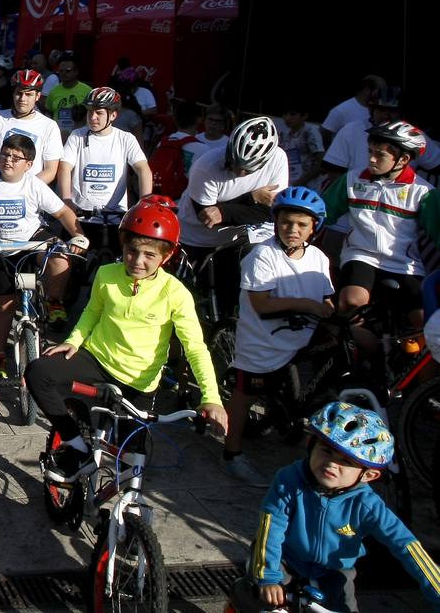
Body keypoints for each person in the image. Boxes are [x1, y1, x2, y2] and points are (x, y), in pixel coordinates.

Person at [27, 197, 228, 483]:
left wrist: (211, 398)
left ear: (165, 257)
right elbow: (91, 313)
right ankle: (77, 447)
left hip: (138, 382)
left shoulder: (175, 293)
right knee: (38, 371)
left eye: (149, 255)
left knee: (131, 460)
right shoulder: (107, 273)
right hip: (97, 360)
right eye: (132, 251)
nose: (137, 261)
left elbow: (195, 347)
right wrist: (73, 341)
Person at [226, 402, 440, 613]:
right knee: (260, 596)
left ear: (368, 475)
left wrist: (436, 588)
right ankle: (240, 600)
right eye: (327, 451)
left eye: (346, 461)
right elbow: (270, 527)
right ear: (311, 444)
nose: (332, 464)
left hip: (334, 571)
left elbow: (406, 544)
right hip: (284, 559)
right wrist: (268, 577)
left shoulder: (367, 505)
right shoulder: (289, 480)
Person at [223, 188, 335, 487]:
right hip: (261, 341)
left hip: (300, 338)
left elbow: (326, 299)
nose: (292, 230)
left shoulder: (319, 258)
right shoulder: (263, 255)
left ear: (314, 227)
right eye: (286, 223)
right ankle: (232, 453)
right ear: (276, 222)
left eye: (301, 225)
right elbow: (261, 304)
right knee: (245, 394)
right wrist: (309, 306)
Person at [0, 133, 88, 374]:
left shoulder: (34, 184)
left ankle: (53, 299)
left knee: (59, 257)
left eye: (16, 157)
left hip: (33, 238)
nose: (8, 160)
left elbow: (63, 213)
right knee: (4, 305)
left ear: (29, 165)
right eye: (4, 154)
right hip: (2, 248)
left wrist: (80, 236)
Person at [322, 121, 436, 323]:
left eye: (380, 154)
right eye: (370, 151)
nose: (372, 159)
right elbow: (322, 213)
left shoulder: (423, 192)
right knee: (351, 301)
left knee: (422, 320)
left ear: (404, 159)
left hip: (405, 265)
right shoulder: (352, 179)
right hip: (360, 255)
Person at [178, 116, 289, 314]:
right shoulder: (206, 165)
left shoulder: (278, 159)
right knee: (185, 299)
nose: (238, 170)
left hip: (236, 238)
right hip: (196, 237)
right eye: (234, 163)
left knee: (229, 296)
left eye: (246, 169)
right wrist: (252, 198)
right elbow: (207, 218)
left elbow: (271, 212)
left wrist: (225, 210)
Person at [57, 86, 152, 230]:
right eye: (89, 111)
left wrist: (144, 204)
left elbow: (143, 169)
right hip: (80, 217)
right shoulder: (77, 135)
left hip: (116, 217)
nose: (92, 117)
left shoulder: (125, 138)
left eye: (99, 113)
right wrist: (67, 200)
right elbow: (64, 168)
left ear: (113, 115)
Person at [0, 69, 62, 184]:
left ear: (38, 96)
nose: (22, 99)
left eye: (28, 94)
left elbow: (50, 170)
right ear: (13, 93)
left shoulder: (49, 126)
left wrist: (26, 190)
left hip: (28, 195)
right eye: (19, 93)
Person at [320, 75, 385, 146]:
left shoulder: (380, 111)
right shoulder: (341, 110)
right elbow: (325, 132)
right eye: (380, 91)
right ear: (367, 89)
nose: (382, 94)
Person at [43, 54, 90, 137]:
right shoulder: (53, 91)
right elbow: (48, 112)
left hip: (80, 136)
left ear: (76, 72)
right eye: (60, 71)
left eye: (68, 70)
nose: (63, 73)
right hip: (58, 137)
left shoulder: (87, 91)